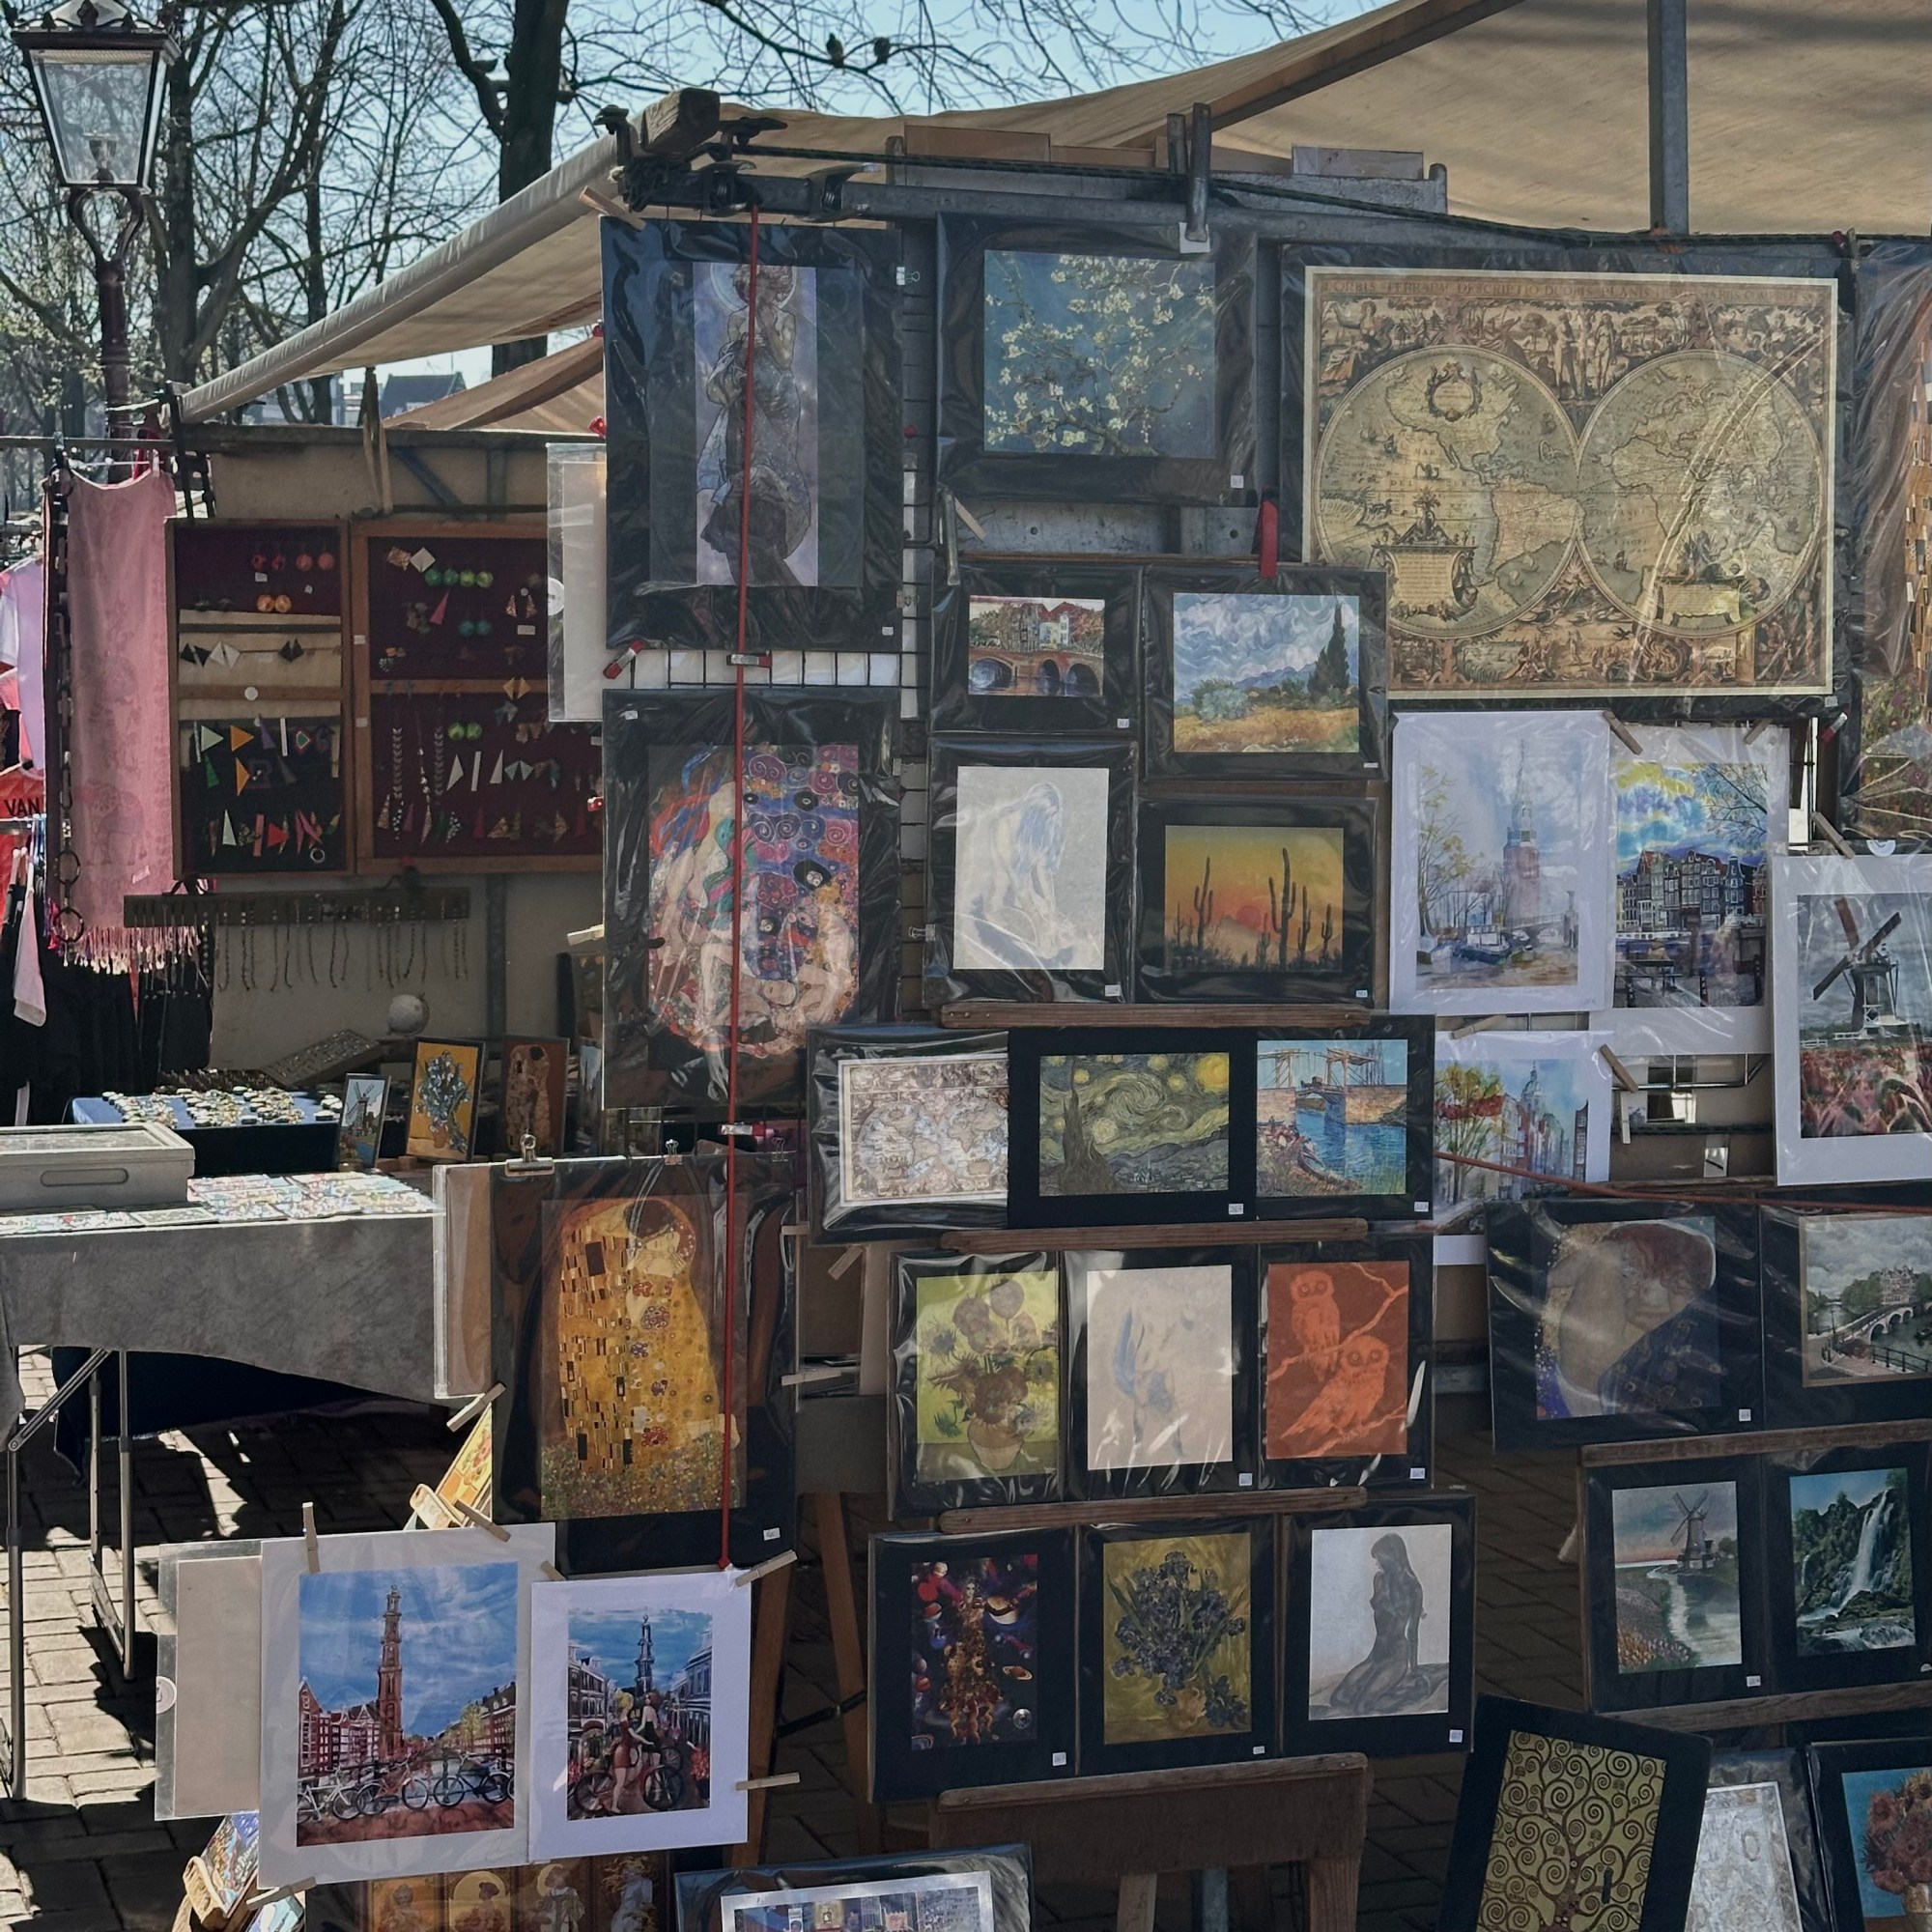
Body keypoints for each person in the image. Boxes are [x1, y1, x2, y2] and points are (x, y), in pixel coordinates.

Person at [1327, 1533, 1434, 1714]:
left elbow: (1413, 1632)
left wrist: (1414, 1667)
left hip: (1396, 1657)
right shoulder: (1379, 1579)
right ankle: (1389, 1692)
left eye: (1379, 1559)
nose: (1377, 1563)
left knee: (1361, 1707)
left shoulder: (1413, 1588)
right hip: (1376, 1656)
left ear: (1390, 1558)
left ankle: (1410, 1694)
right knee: (1337, 1698)